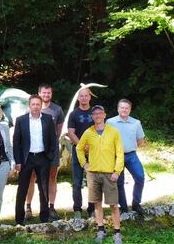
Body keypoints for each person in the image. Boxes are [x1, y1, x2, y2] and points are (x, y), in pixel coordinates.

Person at [77, 105, 124, 244]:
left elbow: (120, 153)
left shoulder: (113, 132)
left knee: (114, 204)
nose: (97, 116)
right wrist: (84, 164)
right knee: (97, 204)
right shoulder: (88, 132)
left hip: (110, 174)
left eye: (100, 113)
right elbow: (79, 148)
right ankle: (100, 230)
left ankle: (117, 233)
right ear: (92, 116)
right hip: (93, 174)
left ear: (104, 115)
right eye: (95, 114)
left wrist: (117, 171)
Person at [13, 94, 58, 225]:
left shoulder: (48, 119)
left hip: (43, 157)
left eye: (38, 104)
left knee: (43, 189)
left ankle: (44, 218)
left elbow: (53, 140)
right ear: (29, 105)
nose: (35, 107)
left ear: (41, 105)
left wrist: (50, 156)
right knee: (22, 189)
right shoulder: (21, 120)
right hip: (26, 159)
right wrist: (18, 161)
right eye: (33, 104)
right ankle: (19, 220)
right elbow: (16, 142)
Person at [25, 83, 64, 220]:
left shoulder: (57, 110)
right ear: (39, 93)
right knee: (31, 178)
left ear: (51, 94)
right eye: (44, 93)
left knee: (52, 178)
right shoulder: (31, 109)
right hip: (33, 151)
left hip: (51, 150)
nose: (46, 95)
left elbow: (58, 131)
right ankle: (28, 208)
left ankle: (50, 207)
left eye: (49, 93)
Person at [106, 98, 146, 214]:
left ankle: (136, 203)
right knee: (119, 182)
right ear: (118, 109)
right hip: (116, 157)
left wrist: (129, 146)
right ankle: (123, 207)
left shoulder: (136, 123)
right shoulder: (110, 122)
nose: (124, 110)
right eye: (122, 107)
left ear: (130, 110)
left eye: (127, 108)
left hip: (131, 155)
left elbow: (140, 140)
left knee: (140, 177)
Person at [67, 87, 95, 219]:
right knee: (77, 182)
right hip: (78, 151)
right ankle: (77, 209)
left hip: (94, 152)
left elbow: (101, 130)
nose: (84, 98)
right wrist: (82, 146)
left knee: (93, 181)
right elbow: (71, 132)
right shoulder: (73, 114)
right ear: (78, 98)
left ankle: (92, 209)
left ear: (90, 97)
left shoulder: (96, 112)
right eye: (81, 96)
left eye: (86, 95)